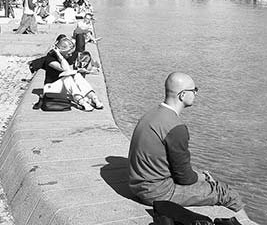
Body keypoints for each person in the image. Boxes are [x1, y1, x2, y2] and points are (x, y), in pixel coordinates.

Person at [128, 72, 258, 225]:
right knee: (225, 192)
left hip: (137, 185)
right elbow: (184, 178)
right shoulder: (176, 127)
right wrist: (203, 177)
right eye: (194, 90)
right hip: (157, 192)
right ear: (182, 95)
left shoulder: (150, 115)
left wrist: (197, 174)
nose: (196, 93)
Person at [43, 36, 103, 111]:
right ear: (61, 52)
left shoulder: (66, 56)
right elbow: (65, 69)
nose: (70, 55)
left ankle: (93, 98)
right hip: (51, 88)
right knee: (68, 78)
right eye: (68, 54)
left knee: (76, 75)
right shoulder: (50, 58)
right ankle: (81, 101)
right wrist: (60, 57)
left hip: (63, 87)